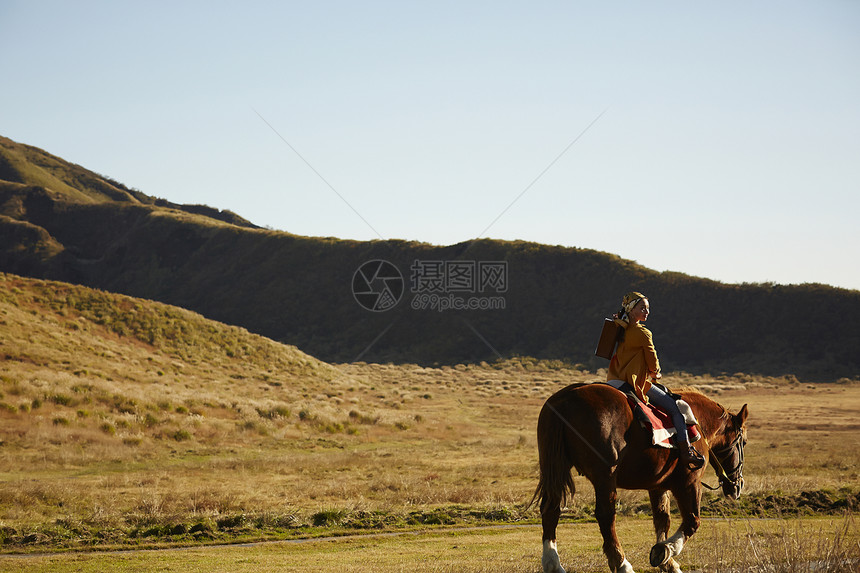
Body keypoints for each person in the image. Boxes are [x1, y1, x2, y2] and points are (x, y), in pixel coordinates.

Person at [607, 291, 705, 469]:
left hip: (614, 380)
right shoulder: (643, 333)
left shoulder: (618, 327)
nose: (646, 311)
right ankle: (686, 451)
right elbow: (653, 361)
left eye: (647, 308)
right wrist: (655, 373)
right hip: (636, 384)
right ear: (630, 309)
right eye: (642, 307)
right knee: (676, 409)